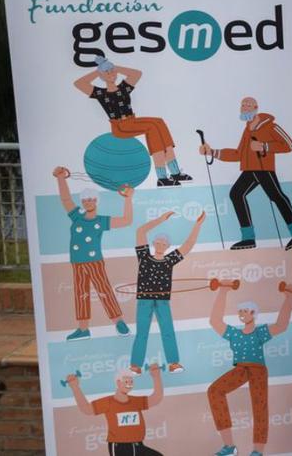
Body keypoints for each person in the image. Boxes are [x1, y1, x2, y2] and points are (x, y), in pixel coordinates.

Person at [206, 281, 292, 456]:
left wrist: (289, 298)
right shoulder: (235, 334)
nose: (242, 314)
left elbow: (281, 325)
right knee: (214, 391)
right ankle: (229, 446)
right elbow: (214, 321)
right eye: (240, 311)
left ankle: (258, 451)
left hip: (257, 369)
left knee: (259, 406)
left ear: (253, 314)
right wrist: (223, 291)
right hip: (241, 369)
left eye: (245, 311)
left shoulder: (260, 332)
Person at [200, 97, 292, 251]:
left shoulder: (270, 126)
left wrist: (264, 146)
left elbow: (289, 145)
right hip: (250, 170)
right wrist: (212, 152)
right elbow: (238, 154)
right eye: (243, 105)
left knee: (277, 196)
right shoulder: (247, 129)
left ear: (256, 108)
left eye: (248, 105)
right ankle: (248, 238)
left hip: (264, 169)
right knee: (236, 194)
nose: (245, 107)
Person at [74, 57, 189, 186]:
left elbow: (137, 74)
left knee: (159, 122)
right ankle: (162, 177)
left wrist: (114, 67)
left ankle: (175, 173)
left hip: (132, 121)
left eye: (112, 71)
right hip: (120, 127)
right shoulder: (100, 93)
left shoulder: (124, 88)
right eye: (107, 73)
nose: (111, 74)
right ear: (101, 76)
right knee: (152, 127)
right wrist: (99, 70)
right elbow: (78, 83)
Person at [53, 166, 132, 340]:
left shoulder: (101, 221)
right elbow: (65, 199)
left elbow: (127, 221)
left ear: (96, 202)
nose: (88, 202)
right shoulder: (76, 217)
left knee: (103, 289)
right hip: (77, 262)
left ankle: (119, 322)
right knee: (81, 293)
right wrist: (60, 178)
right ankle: (83, 329)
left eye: (91, 199)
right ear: (82, 202)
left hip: (94, 261)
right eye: (85, 200)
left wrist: (128, 199)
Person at [129, 210, 206, 375]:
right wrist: (161, 219)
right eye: (158, 242)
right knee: (142, 332)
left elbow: (188, 246)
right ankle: (135, 365)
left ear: (168, 247)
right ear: (153, 243)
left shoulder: (169, 260)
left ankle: (173, 363)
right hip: (144, 299)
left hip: (162, 300)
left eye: (164, 244)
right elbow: (140, 232)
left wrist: (197, 225)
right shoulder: (143, 256)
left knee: (168, 331)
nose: (161, 245)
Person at [67, 365, 165, 456]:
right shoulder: (108, 402)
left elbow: (156, 398)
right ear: (118, 383)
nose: (129, 385)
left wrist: (156, 376)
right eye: (126, 382)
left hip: (138, 445)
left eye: (131, 382)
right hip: (120, 446)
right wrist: (75, 387)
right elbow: (86, 409)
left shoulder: (136, 401)